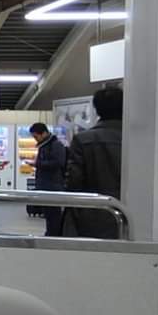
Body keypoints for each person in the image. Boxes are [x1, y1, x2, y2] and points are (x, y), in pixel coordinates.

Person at [63, 86, 123, 240]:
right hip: (131, 214)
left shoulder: (83, 139)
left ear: (96, 110)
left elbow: (74, 182)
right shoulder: (141, 140)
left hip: (92, 213)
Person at [30, 122, 67, 236]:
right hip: (45, 185)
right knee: (48, 213)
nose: (35, 139)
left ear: (44, 133)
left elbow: (59, 163)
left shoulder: (55, 145)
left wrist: (38, 164)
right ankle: (50, 233)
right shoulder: (44, 145)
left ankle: (54, 235)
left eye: (36, 136)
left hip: (53, 185)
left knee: (54, 214)